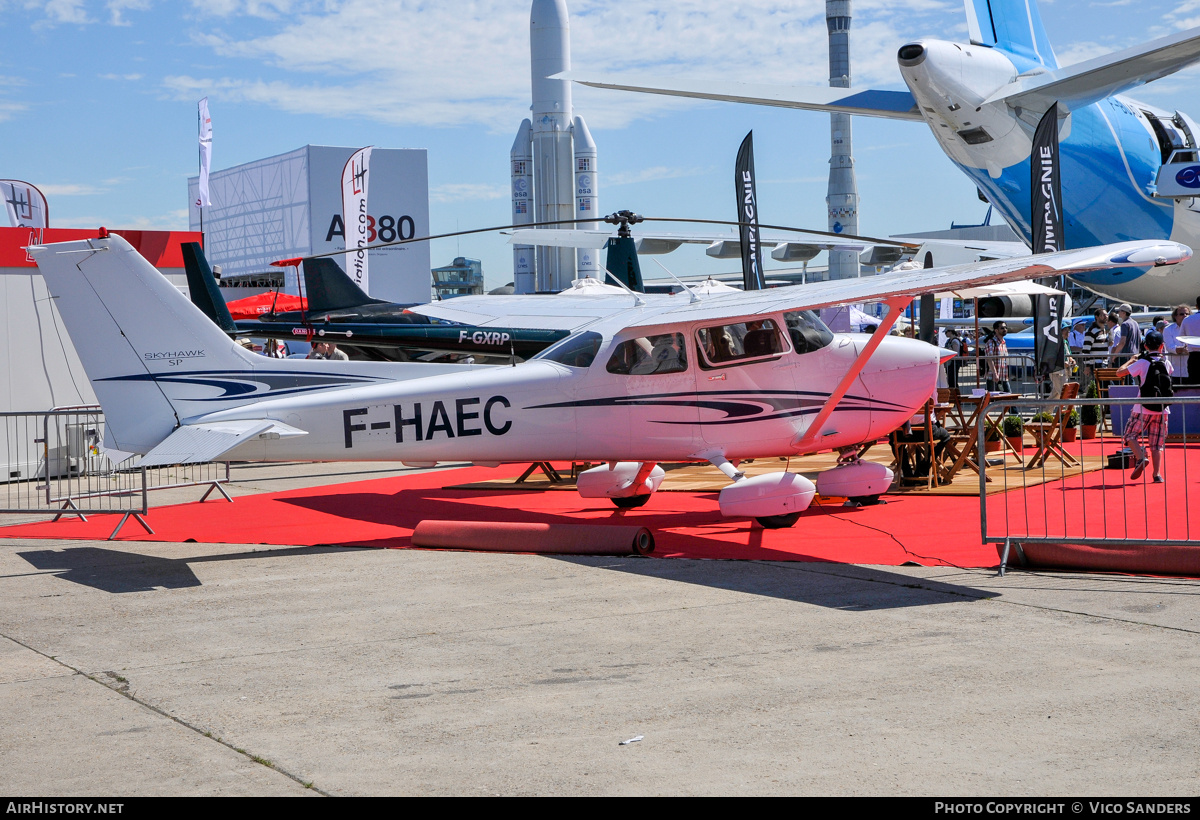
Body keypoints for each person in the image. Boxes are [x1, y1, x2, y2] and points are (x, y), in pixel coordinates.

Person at [1116, 330, 1173, 483]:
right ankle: (1157, 474)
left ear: (1146, 346)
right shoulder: (1166, 363)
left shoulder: (1142, 362)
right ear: (1162, 346)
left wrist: (1132, 360)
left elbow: (1119, 373)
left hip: (1143, 407)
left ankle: (1141, 458)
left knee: (1130, 435)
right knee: (1156, 443)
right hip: (1162, 408)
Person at [1163, 304, 1191, 385]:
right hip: (1175, 371)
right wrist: (1182, 349)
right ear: (1175, 316)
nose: (1185, 316)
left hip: (1191, 369)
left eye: (1187, 314)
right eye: (1182, 314)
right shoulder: (1168, 329)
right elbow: (1169, 347)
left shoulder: (1193, 327)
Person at [982, 320, 1010, 393]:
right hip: (993, 375)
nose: (1005, 329)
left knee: (1009, 396)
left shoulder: (1003, 342)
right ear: (996, 330)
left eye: (1005, 327)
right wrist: (995, 374)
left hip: (1003, 375)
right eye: (1002, 328)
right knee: (991, 396)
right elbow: (989, 359)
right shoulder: (991, 342)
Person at [1181, 296, 1200, 384]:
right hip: (1193, 354)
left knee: (1194, 384)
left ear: (1196, 306)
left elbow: (1181, 337)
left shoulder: (1187, 320)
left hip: (1193, 356)